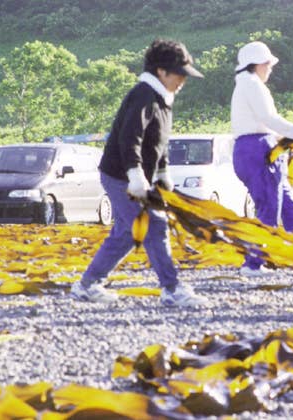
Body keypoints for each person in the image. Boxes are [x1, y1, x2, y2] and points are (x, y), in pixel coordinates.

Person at [71, 39, 208, 306]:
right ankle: (172, 288)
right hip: (119, 174)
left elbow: (158, 141)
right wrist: (135, 175)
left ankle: (88, 285)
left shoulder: (163, 99)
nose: (182, 81)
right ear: (161, 72)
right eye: (179, 74)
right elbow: (129, 137)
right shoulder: (144, 94)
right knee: (154, 225)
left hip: (136, 174)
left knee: (125, 233)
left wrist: (162, 171)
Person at [230, 41, 293, 277]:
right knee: (269, 208)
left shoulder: (246, 85)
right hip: (258, 150)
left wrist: (289, 138)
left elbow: (265, 122)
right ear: (259, 64)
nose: (270, 69)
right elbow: (268, 118)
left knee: (291, 207)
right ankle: (253, 265)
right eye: (269, 64)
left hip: (259, 149)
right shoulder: (252, 84)